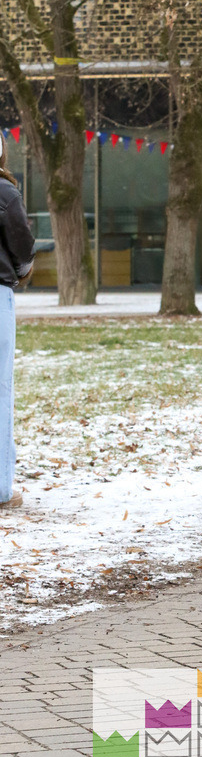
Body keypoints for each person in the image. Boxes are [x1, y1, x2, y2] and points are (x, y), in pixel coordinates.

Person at [0, 135, 35, 511]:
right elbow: (22, 244)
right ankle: (0, 489)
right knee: (0, 390)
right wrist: (22, 271)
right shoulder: (4, 192)